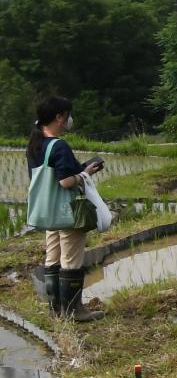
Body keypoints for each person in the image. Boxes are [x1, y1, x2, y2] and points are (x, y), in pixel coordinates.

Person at [26, 95, 104, 321]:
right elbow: (65, 182)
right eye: (68, 115)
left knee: (53, 257)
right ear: (59, 117)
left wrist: (78, 170)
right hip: (67, 211)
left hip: (48, 211)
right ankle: (74, 311)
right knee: (71, 260)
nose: (70, 119)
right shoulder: (58, 145)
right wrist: (86, 173)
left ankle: (56, 309)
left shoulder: (36, 143)